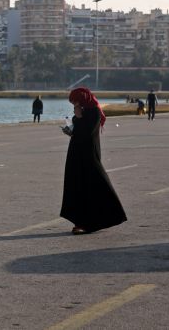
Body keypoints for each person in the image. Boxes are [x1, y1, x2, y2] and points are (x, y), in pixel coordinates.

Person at [60, 87, 127, 235]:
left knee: (92, 184)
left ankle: (90, 222)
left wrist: (79, 117)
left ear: (82, 99)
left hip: (89, 154)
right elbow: (78, 132)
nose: (74, 105)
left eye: (75, 101)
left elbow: (88, 133)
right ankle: (79, 221)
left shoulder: (94, 111)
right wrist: (71, 129)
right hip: (76, 153)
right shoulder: (82, 111)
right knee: (76, 185)